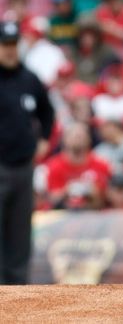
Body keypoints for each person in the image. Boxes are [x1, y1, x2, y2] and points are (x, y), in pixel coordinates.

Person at [0, 21, 54, 283]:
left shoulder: (29, 78)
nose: (9, 50)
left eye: (13, 44)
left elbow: (47, 111)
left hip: (23, 167)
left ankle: (18, 297)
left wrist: (44, 138)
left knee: (20, 232)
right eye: (4, 44)